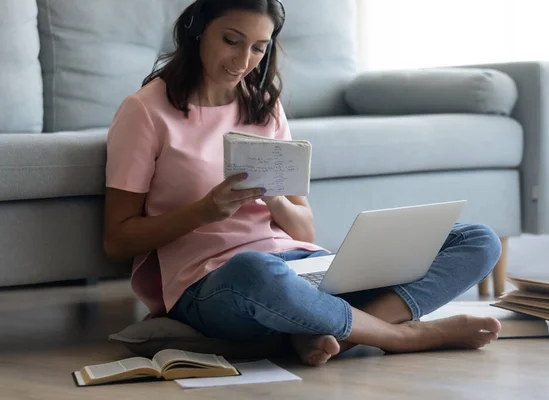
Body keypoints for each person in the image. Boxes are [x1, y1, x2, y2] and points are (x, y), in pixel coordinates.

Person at [103, 0, 503, 368]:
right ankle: (398, 336)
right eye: (231, 41)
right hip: (215, 283)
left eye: (259, 48)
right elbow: (118, 240)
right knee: (255, 271)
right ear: (197, 30)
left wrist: (275, 200)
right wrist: (205, 211)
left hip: (301, 268)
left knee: (478, 239)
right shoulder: (145, 111)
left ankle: (325, 332)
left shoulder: (262, 104)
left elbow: (305, 229)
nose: (243, 61)